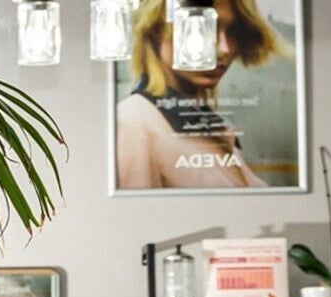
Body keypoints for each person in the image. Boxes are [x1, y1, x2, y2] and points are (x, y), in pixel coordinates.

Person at [114, 0, 285, 190]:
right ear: (157, 29)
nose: (224, 48)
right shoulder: (133, 123)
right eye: (204, 26)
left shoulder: (213, 127)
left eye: (234, 32)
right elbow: (135, 216)